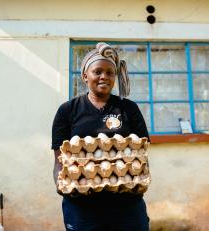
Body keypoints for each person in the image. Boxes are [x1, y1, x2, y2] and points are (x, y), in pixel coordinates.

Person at [52, 42, 150, 231]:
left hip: (127, 205)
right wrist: (61, 181)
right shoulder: (68, 111)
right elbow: (59, 160)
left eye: (110, 72)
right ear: (85, 76)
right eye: (97, 71)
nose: (104, 76)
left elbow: (141, 154)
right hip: (82, 207)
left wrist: (138, 180)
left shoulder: (128, 109)